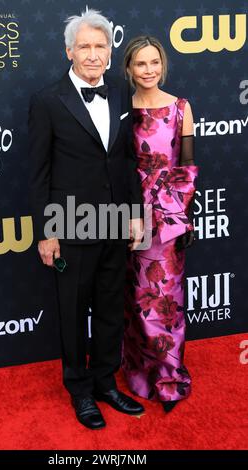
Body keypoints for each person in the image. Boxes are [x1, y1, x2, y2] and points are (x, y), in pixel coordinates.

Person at [28, 10, 145, 430]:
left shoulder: (118, 92)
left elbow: (127, 160)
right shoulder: (46, 101)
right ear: (69, 51)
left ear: (110, 53)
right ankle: (80, 391)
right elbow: (39, 172)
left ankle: (105, 382)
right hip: (71, 224)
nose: (93, 55)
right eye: (85, 47)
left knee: (112, 308)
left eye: (101, 47)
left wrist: (134, 215)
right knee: (73, 312)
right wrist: (46, 233)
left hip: (115, 221)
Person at [122, 36, 198, 413]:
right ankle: (140, 371)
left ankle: (168, 375)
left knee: (168, 298)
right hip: (131, 214)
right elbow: (119, 167)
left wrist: (185, 219)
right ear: (129, 69)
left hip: (169, 216)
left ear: (162, 65)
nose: (149, 70)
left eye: (154, 63)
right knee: (137, 298)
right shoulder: (122, 109)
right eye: (141, 64)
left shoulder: (182, 107)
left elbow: (186, 170)